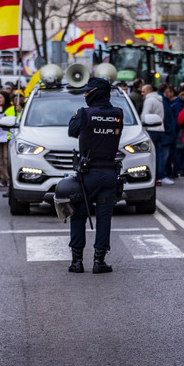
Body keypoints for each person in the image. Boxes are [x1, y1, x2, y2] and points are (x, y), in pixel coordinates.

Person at [67, 76, 124, 274]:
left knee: (78, 215)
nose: (84, 94)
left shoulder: (84, 113)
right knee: (104, 218)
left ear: (96, 92)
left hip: (87, 174)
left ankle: (77, 262)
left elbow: (71, 132)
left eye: (88, 91)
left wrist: (78, 116)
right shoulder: (119, 114)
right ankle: (99, 262)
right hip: (109, 173)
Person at [140, 83, 172, 185]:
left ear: (149, 91)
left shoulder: (149, 100)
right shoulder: (159, 100)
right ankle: (160, 176)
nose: (142, 93)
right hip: (159, 129)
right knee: (159, 154)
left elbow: (144, 116)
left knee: (150, 155)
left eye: (143, 91)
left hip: (151, 129)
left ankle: (152, 176)